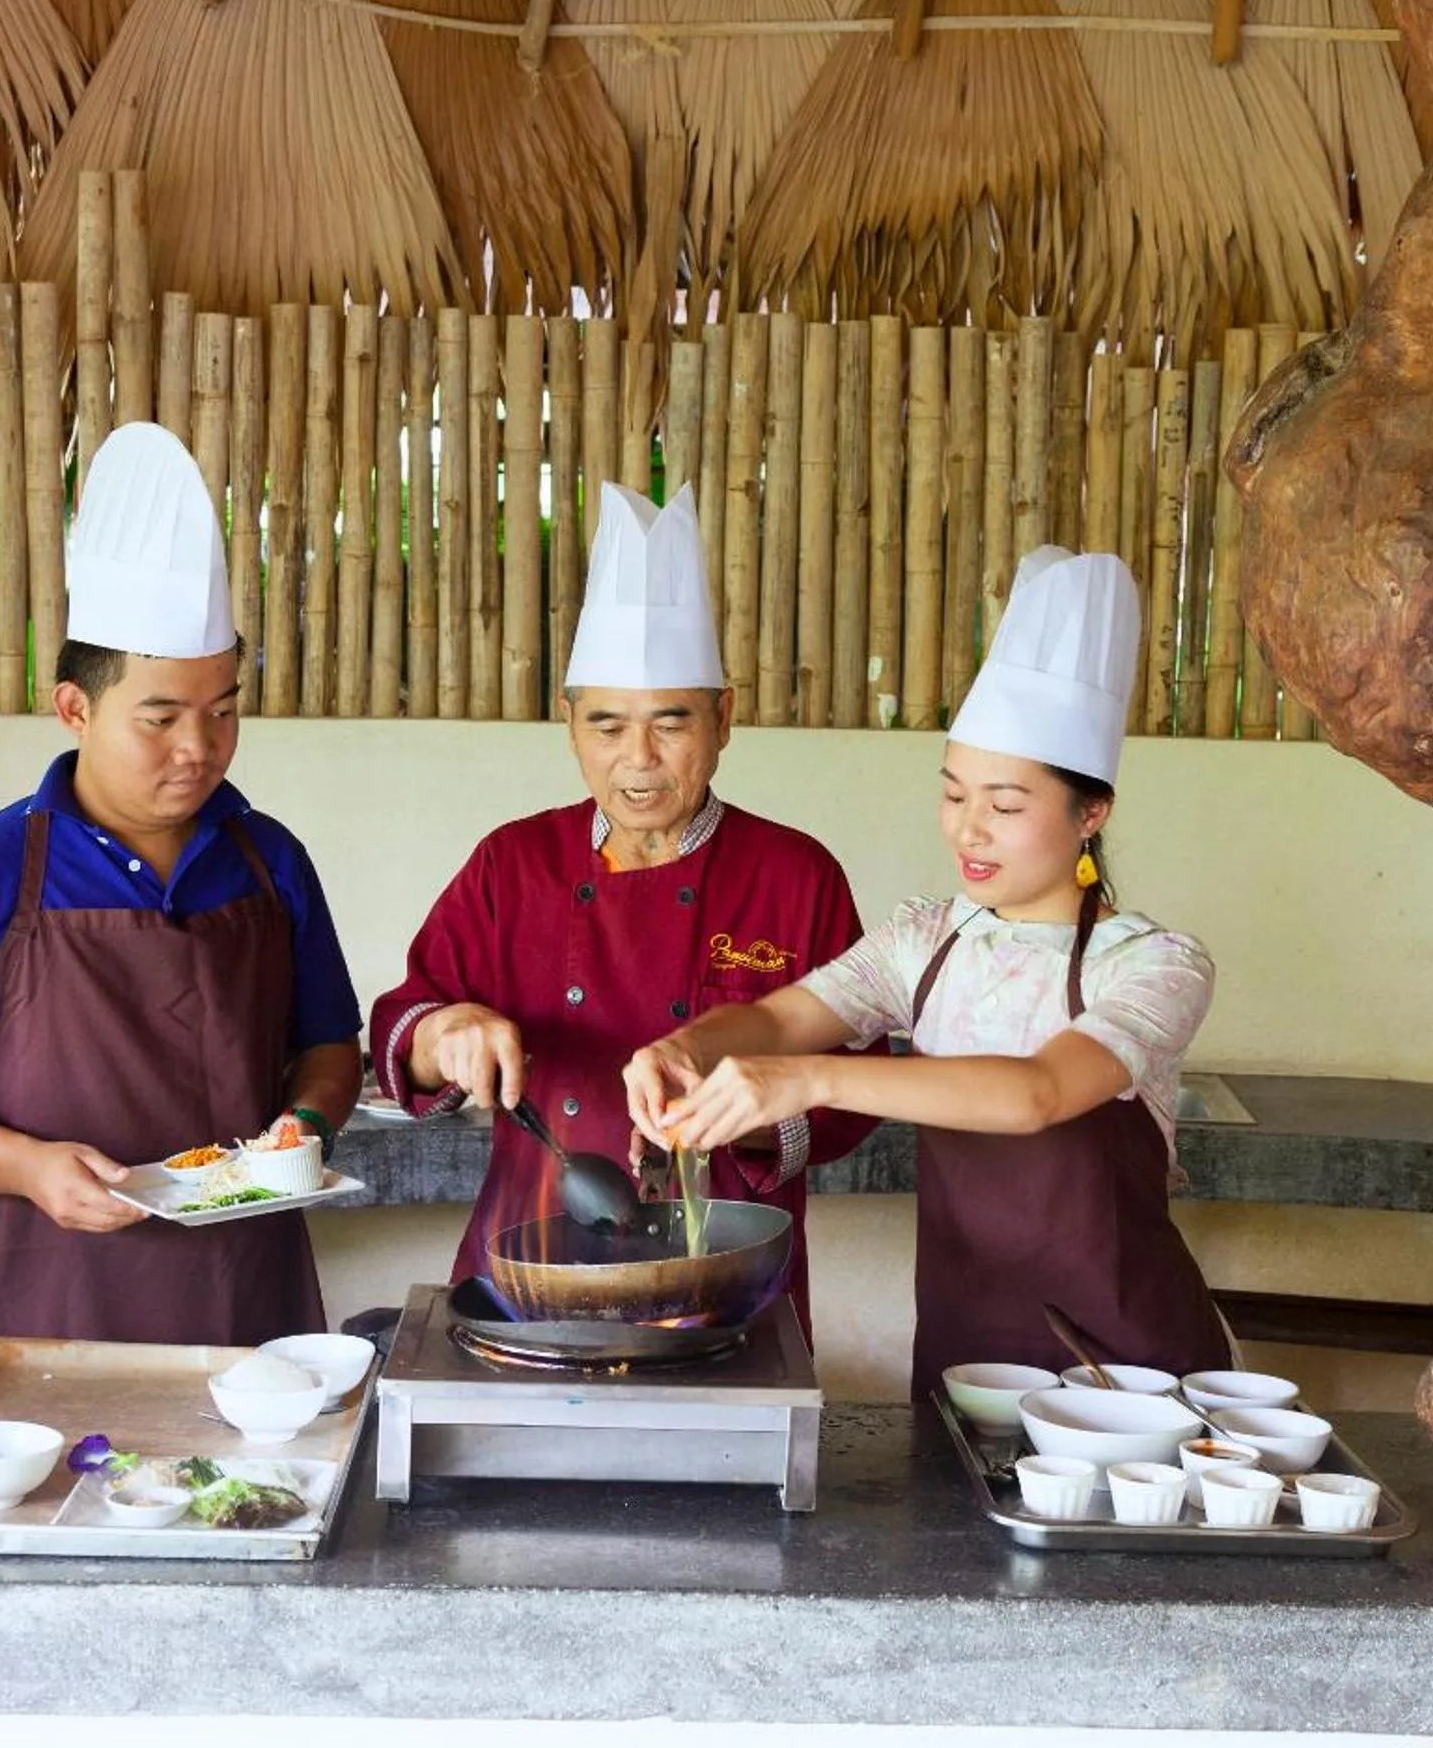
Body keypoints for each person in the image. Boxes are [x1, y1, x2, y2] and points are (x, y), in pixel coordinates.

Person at [624, 546, 1228, 1397]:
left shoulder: (1151, 965)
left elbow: (1035, 1093)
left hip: (1129, 1375)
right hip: (968, 1353)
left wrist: (803, 1082)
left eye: (1005, 805)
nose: (968, 830)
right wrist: (683, 1048)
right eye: (953, 794)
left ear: (1091, 813)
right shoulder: (926, 939)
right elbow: (780, 1020)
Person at [0, 423, 361, 1344]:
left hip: (252, 1295)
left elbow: (326, 1047)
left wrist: (303, 1131)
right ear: (75, 708)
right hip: (56, 1299)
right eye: (159, 718)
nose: (198, 748)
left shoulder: (269, 860)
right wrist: (30, 1167)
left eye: (223, 712)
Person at [368, 484, 876, 1331]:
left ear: (723, 719)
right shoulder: (513, 862)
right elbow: (404, 1021)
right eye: (606, 727)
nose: (637, 760)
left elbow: (859, 1091)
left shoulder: (796, 875)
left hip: (724, 1286)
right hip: (526, 1270)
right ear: (567, 725)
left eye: (669, 724)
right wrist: (444, 1033)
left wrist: (731, 1122)